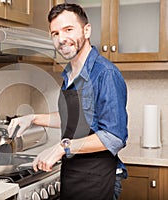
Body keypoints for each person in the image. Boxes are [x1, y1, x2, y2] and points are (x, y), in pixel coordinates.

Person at [7, 3, 128, 200]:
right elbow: (75, 118)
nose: (61, 39)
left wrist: (61, 147)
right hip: (74, 174)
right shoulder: (70, 74)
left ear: (86, 30)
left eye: (68, 30)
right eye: (55, 33)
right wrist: (33, 118)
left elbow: (114, 136)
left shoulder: (105, 73)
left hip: (97, 179)